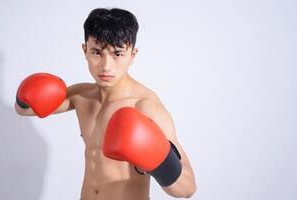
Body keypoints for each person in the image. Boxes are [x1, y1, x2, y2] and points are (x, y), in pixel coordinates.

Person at [14, 8, 196, 200]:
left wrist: (157, 161)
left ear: (132, 55)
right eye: (97, 52)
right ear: (85, 51)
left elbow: (186, 189)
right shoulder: (81, 96)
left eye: (117, 54)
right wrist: (29, 92)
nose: (106, 66)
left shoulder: (146, 107)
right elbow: (24, 109)